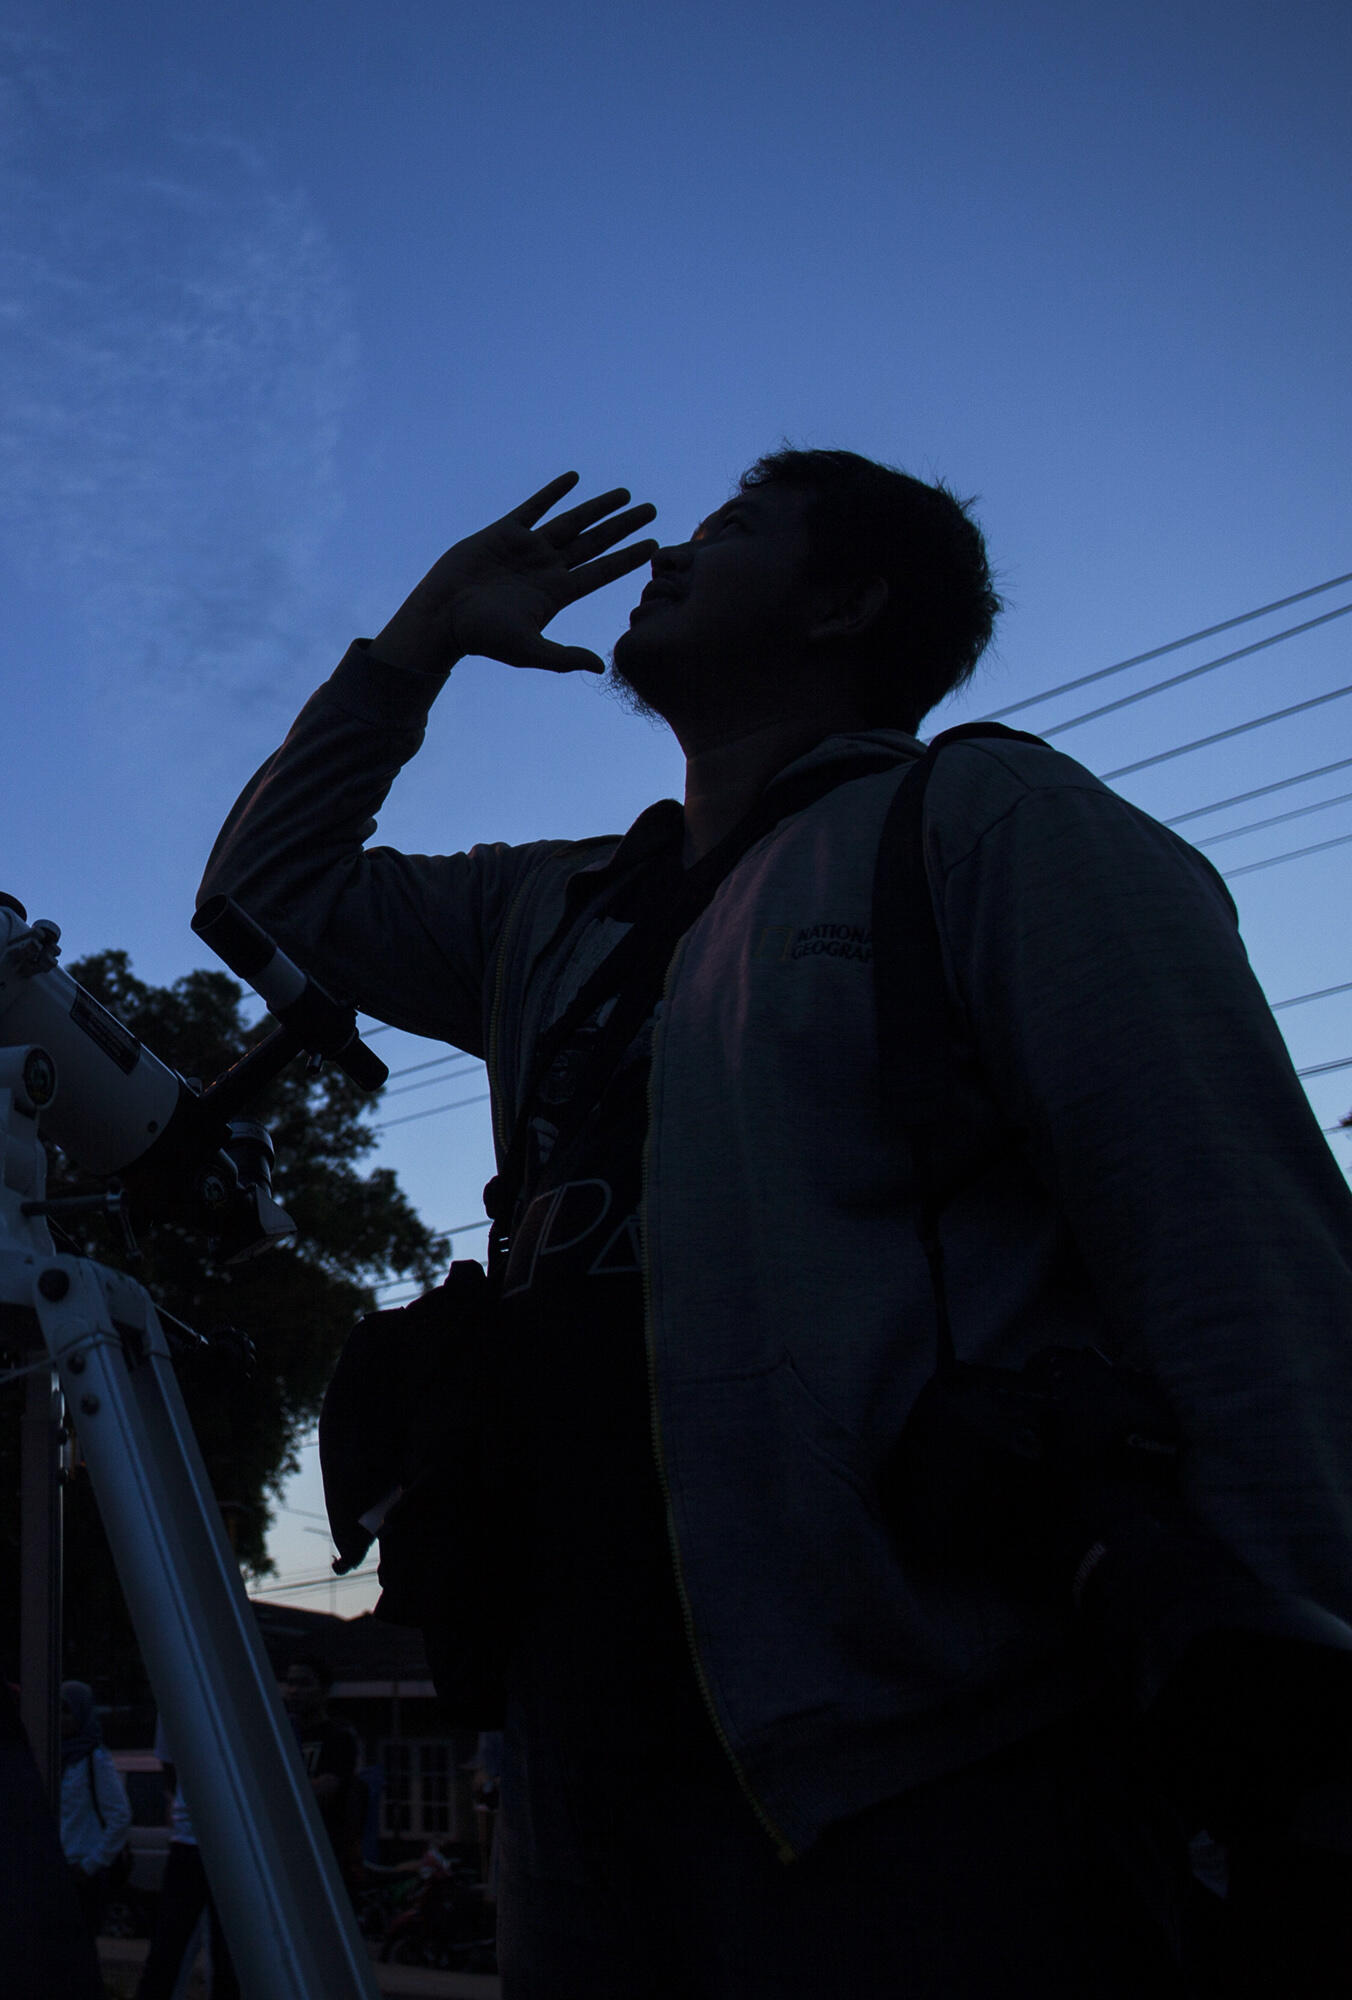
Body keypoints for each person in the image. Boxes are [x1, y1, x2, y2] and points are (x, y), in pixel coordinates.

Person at [203, 454, 1352, 1995]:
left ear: (848, 601)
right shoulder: (556, 911)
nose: (672, 549)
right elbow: (271, 889)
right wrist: (417, 644)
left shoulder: (984, 824)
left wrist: (1305, 1718)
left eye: (737, 527)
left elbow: (1228, 1241)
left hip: (916, 1766)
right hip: (573, 1752)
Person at [129, 1727, 231, 2000]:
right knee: (180, 1946)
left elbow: (169, 1766)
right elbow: (169, 1765)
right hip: (208, 1837)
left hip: (203, 1836)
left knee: (175, 1946)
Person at [52, 1680, 131, 1935]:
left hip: (83, 1873)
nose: (60, 1718)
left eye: (67, 1711)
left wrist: (91, 1865)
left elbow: (120, 1816)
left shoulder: (94, 1758)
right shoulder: (54, 1756)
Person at [277, 1656, 361, 1869]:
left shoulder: (338, 1737)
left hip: (322, 1853)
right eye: (290, 1683)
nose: (294, 1691)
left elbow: (325, 1790)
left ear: (324, 1690)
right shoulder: (278, 1736)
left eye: (304, 1684)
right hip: (282, 1849)